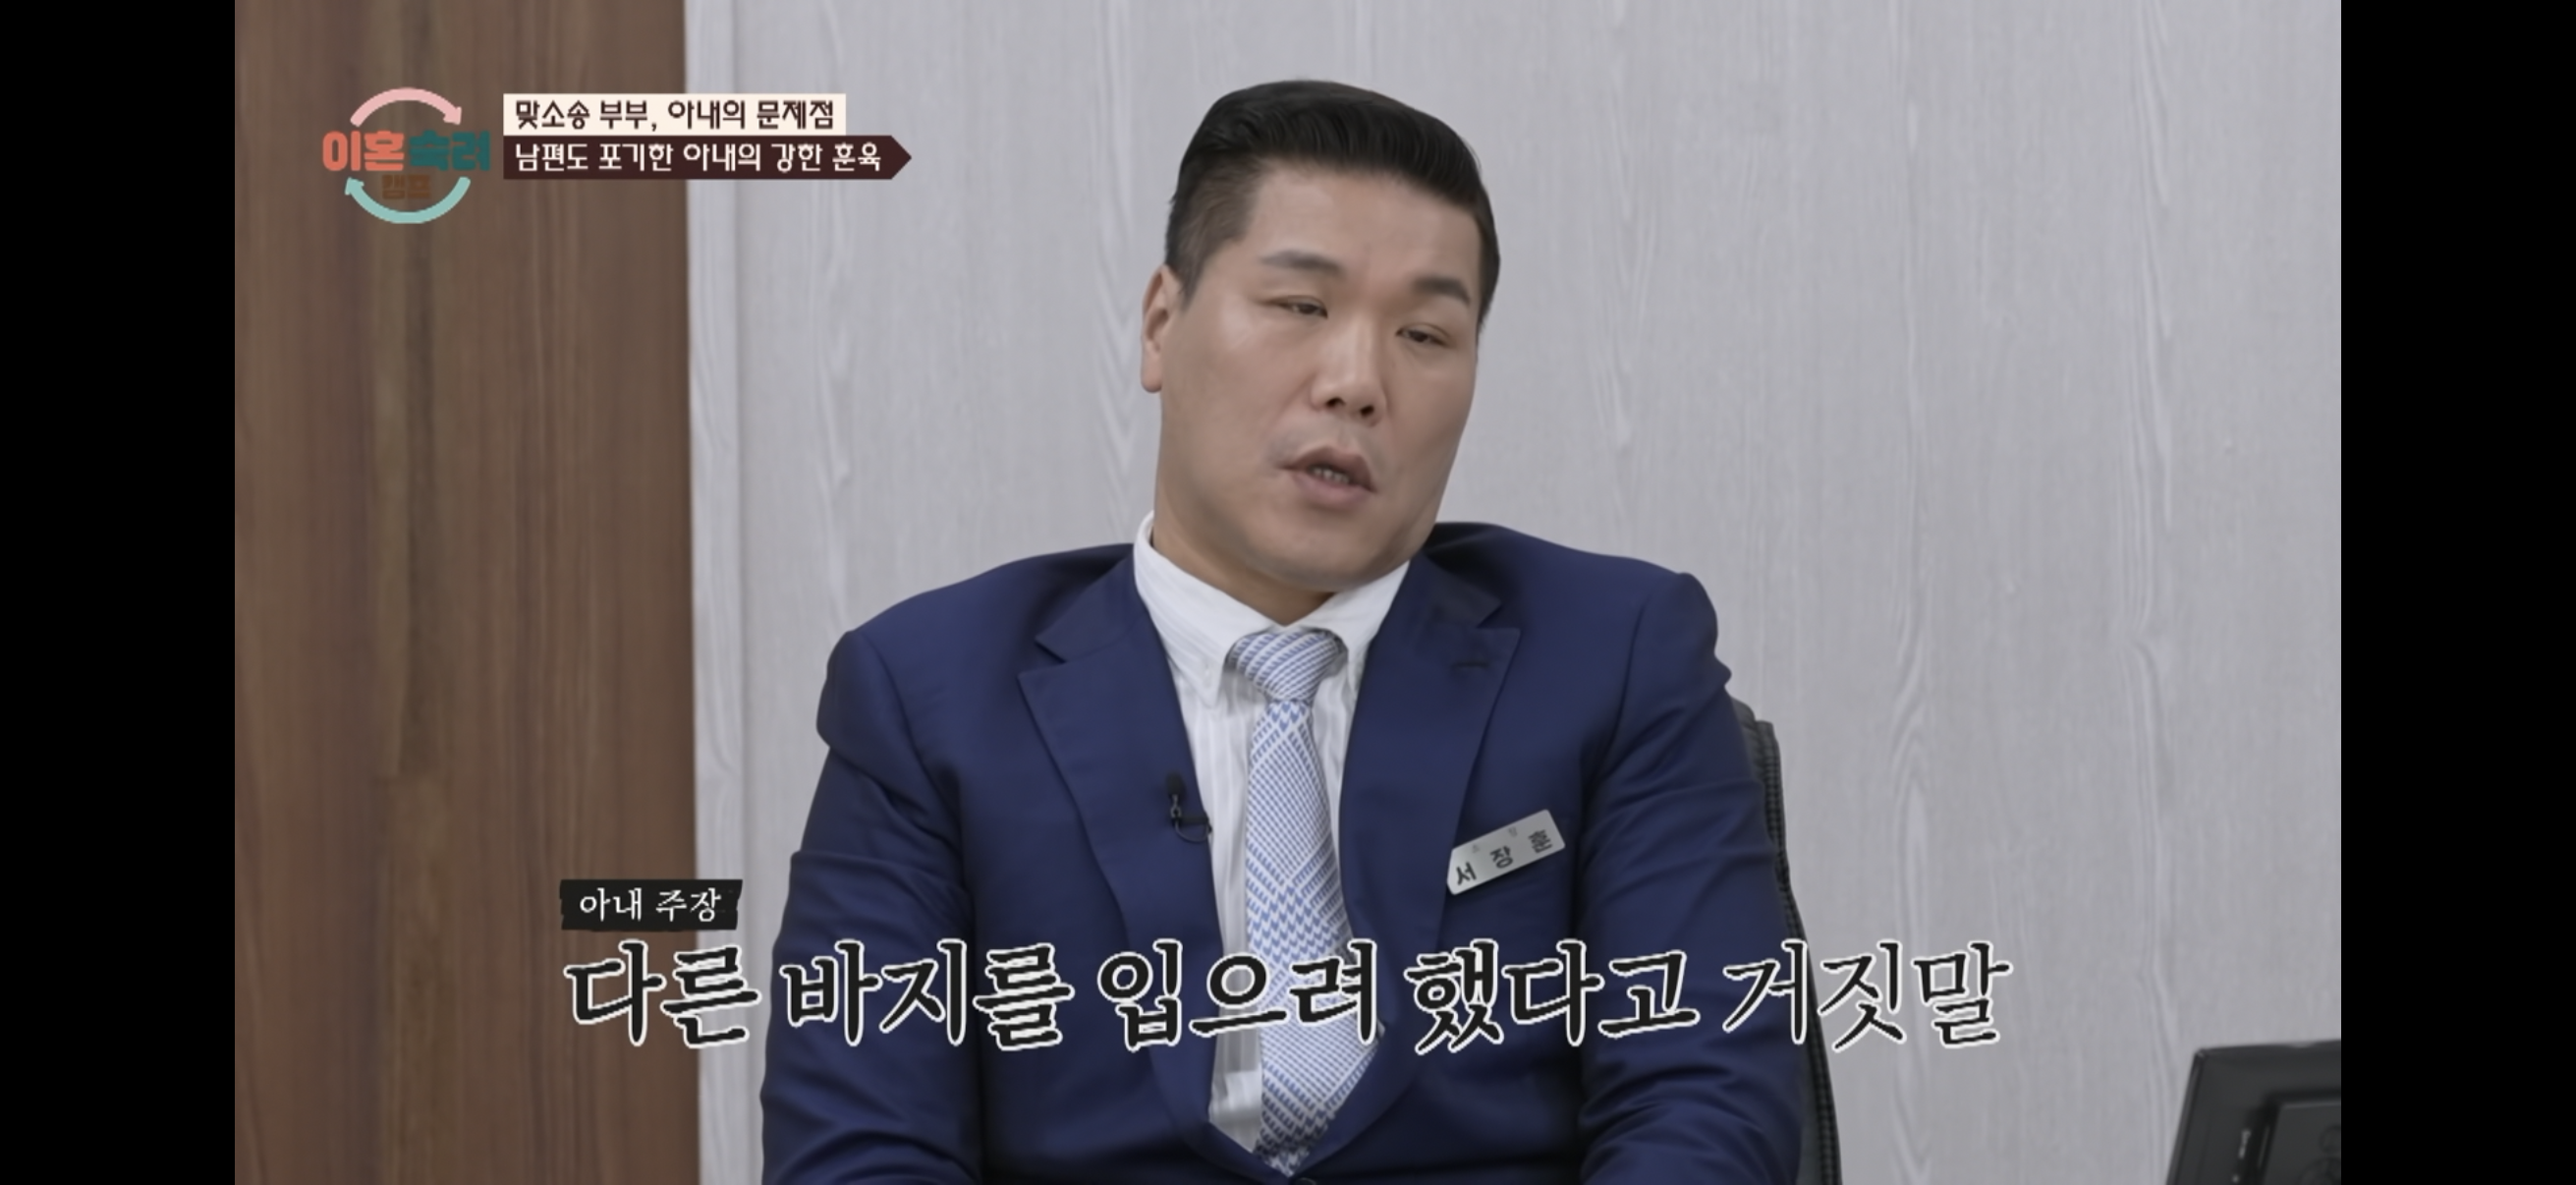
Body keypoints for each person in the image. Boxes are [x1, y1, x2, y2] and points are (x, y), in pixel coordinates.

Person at [761, 80, 1802, 1184]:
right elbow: (862, 1151)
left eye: (1424, 333)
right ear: (1161, 324)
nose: (1356, 383)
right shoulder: (929, 697)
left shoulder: (1616, 655)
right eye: (1301, 307)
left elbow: (1705, 1097)